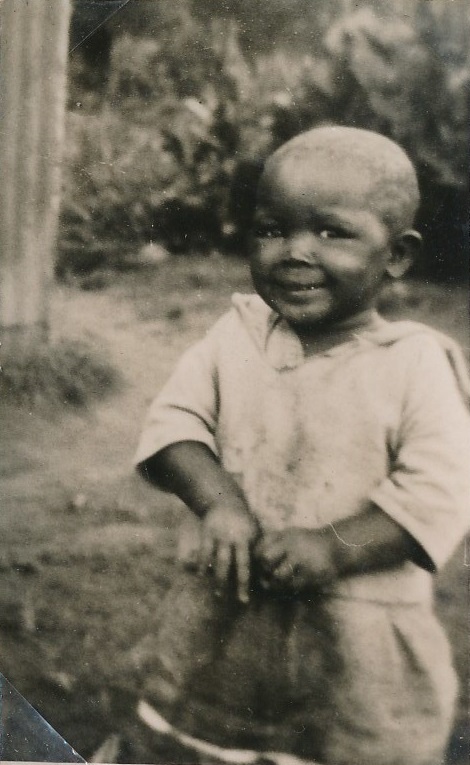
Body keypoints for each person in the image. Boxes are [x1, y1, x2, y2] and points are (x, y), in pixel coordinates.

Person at [133, 126, 470, 765]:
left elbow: (440, 493)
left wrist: (334, 546)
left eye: (332, 233)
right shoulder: (235, 336)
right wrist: (219, 503)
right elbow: (174, 424)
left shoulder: (416, 365)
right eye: (272, 230)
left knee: (344, 747)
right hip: (228, 625)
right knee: (206, 743)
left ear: (397, 254)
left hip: (356, 645)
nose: (294, 252)